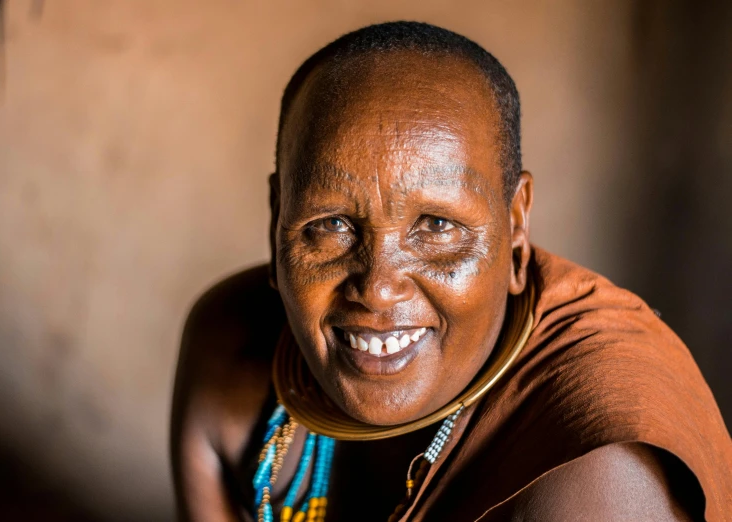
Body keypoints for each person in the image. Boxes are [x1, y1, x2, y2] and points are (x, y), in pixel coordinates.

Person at [170, 22, 732, 521]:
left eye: (437, 226)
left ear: (516, 232)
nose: (378, 287)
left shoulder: (597, 476)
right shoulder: (229, 351)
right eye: (332, 224)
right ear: (277, 221)